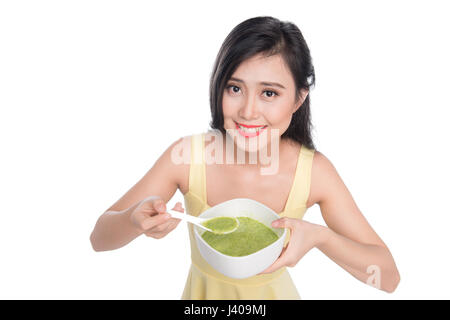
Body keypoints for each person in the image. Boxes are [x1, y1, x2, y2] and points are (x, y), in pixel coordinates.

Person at [90, 16, 400, 299]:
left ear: (298, 99)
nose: (248, 112)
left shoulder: (314, 172)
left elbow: (388, 279)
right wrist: (134, 220)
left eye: (269, 93)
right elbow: (99, 238)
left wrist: (321, 238)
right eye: (235, 88)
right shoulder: (186, 157)